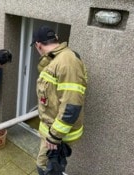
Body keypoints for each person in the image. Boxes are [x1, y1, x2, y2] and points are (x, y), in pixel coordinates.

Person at [30, 26, 87, 174]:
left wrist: (54, 137)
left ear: (38, 45)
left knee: (48, 169)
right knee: (43, 166)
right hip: (51, 132)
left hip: (58, 136)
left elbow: (71, 105)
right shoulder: (56, 60)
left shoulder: (67, 62)